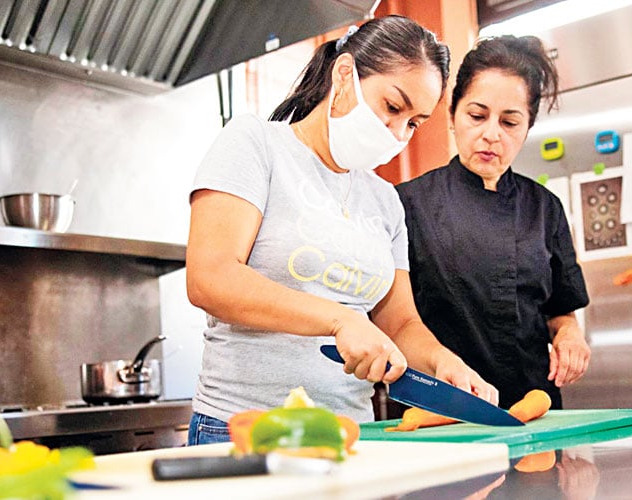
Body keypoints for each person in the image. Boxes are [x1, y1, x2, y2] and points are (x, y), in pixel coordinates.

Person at [185, 15, 499, 445]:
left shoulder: (385, 200)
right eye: (393, 107)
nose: (398, 132)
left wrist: (441, 362)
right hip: (244, 428)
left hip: (351, 433)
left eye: (414, 123)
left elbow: (400, 323)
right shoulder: (256, 144)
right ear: (345, 74)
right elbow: (211, 277)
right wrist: (339, 320)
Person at [396, 35, 590, 410]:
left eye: (510, 122)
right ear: (452, 115)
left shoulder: (544, 208)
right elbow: (396, 320)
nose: (491, 134)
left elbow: (560, 310)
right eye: (477, 116)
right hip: (442, 408)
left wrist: (569, 335)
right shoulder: (408, 204)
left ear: (527, 128)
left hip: (533, 405)